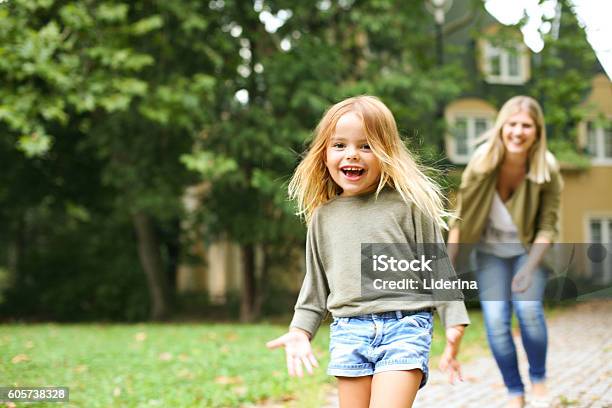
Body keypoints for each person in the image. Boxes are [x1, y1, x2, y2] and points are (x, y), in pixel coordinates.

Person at [266, 95, 470, 408]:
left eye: (366, 146)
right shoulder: (323, 216)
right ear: (324, 153)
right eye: (339, 145)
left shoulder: (409, 205)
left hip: (405, 326)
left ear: (386, 152)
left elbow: (437, 267)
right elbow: (316, 285)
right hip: (349, 331)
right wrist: (299, 331)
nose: (352, 155)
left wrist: (453, 319)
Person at [447, 96, 562, 408]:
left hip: (528, 251)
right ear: (501, 128)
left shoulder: (546, 168)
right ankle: (515, 390)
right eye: (512, 124)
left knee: (528, 310)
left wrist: (529, 269)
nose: (518, 132)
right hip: (489, 252)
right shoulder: (482, 163)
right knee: (497, 320)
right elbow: (461, 217)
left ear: (537, 131)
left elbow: (548, 226)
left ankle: (538, 380)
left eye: (526, 125)